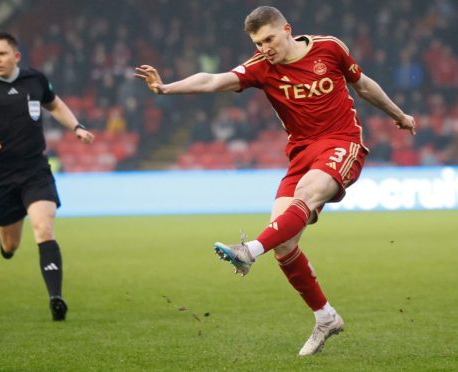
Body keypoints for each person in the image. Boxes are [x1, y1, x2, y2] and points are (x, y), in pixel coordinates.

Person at [135, 6, 416, 356]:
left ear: (287, 29)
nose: (265, 47)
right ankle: (325, 317)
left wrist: (400, 115)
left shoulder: (330, 48)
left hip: (342, 143)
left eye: (269, 39)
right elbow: (213, 80)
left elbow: (363, 85)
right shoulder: (261, 67)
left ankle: (248, 250)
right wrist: (164, 89)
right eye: (257, 42)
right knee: (283, 242)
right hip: (300, 154)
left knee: (307, 194)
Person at [0, 31, 94, 321]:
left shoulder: (36, 80)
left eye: (2, 54)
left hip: (35, 170)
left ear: (16, 56)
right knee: (11, 245)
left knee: (43, 228)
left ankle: (56, 298)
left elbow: (54, 104)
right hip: (3, 176)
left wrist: (77, 127)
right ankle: (6, 244)